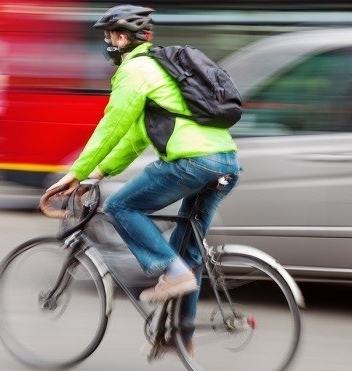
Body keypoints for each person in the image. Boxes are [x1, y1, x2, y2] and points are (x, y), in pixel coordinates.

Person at [46, 4, 240, 353]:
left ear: (122, 37)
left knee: (120, 206)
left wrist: (74, 173)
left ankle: (172, 273)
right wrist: (99, 172)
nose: (107, 44)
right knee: (187, 252)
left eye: (108, 36)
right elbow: (135, 137)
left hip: (191, 164)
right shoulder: (162, 69)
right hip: (224, 164)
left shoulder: (136, 70)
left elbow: (111, 126)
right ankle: (181, 335)